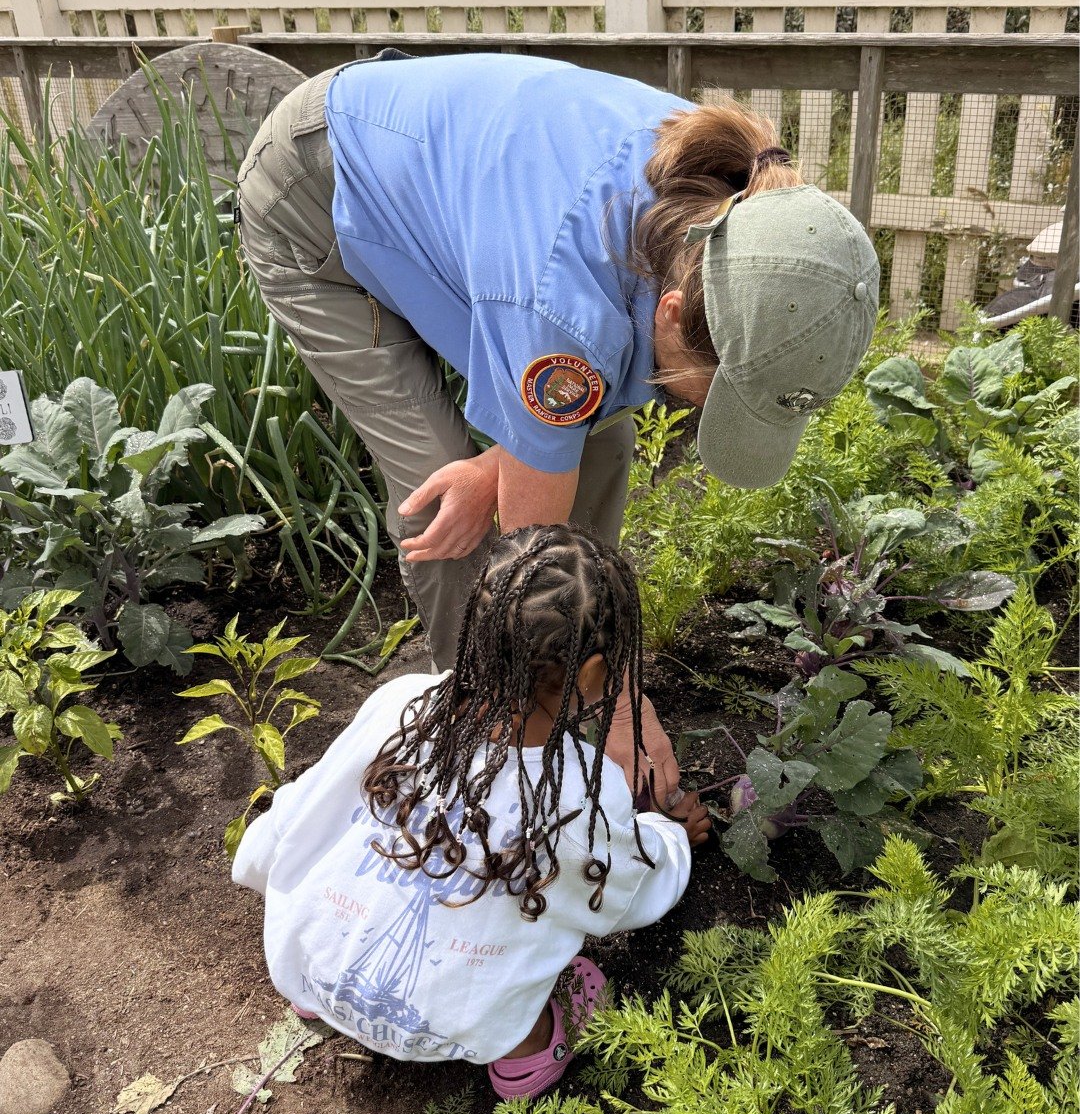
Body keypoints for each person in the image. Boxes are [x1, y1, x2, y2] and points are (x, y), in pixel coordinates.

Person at [235, 50, 880, 812]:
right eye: (716, 397)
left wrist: (510, 466)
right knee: (449, 504)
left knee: (593, 443)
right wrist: (624, 704)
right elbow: (532, 566)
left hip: (468, 213)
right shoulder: (565, 301)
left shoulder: (735, 216)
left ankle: (563, 690)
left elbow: (575, 405)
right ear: (671, 313)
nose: (702, 416)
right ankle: (491, 743)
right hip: (320, 200)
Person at [232, 525, 710, 1097]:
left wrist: (273, 876)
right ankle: (525, 1059)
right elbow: (632, 895)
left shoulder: (400, 704)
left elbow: (297, 817)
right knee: (546, 944)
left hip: (305, 967)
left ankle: (326, 988)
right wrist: (668, 833)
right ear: (590, 674)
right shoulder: (582, 791)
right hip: (454, 1028)